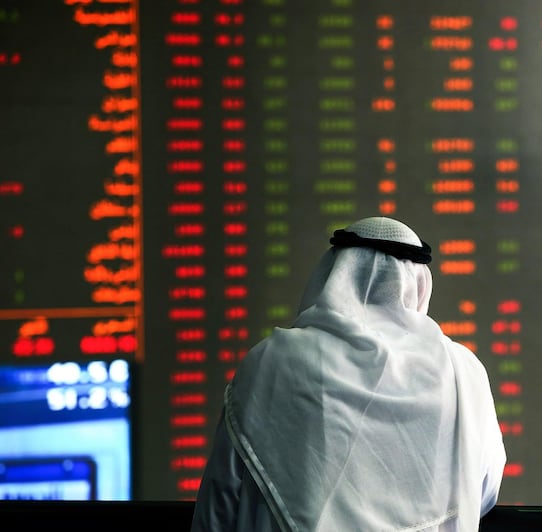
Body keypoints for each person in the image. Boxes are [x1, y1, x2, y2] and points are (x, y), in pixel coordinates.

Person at [191, 216, 506, 532]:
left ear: (333, 272)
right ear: (418, 281)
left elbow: (220, 501)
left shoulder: (271, 361)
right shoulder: (463, 370)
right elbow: (483, 490)